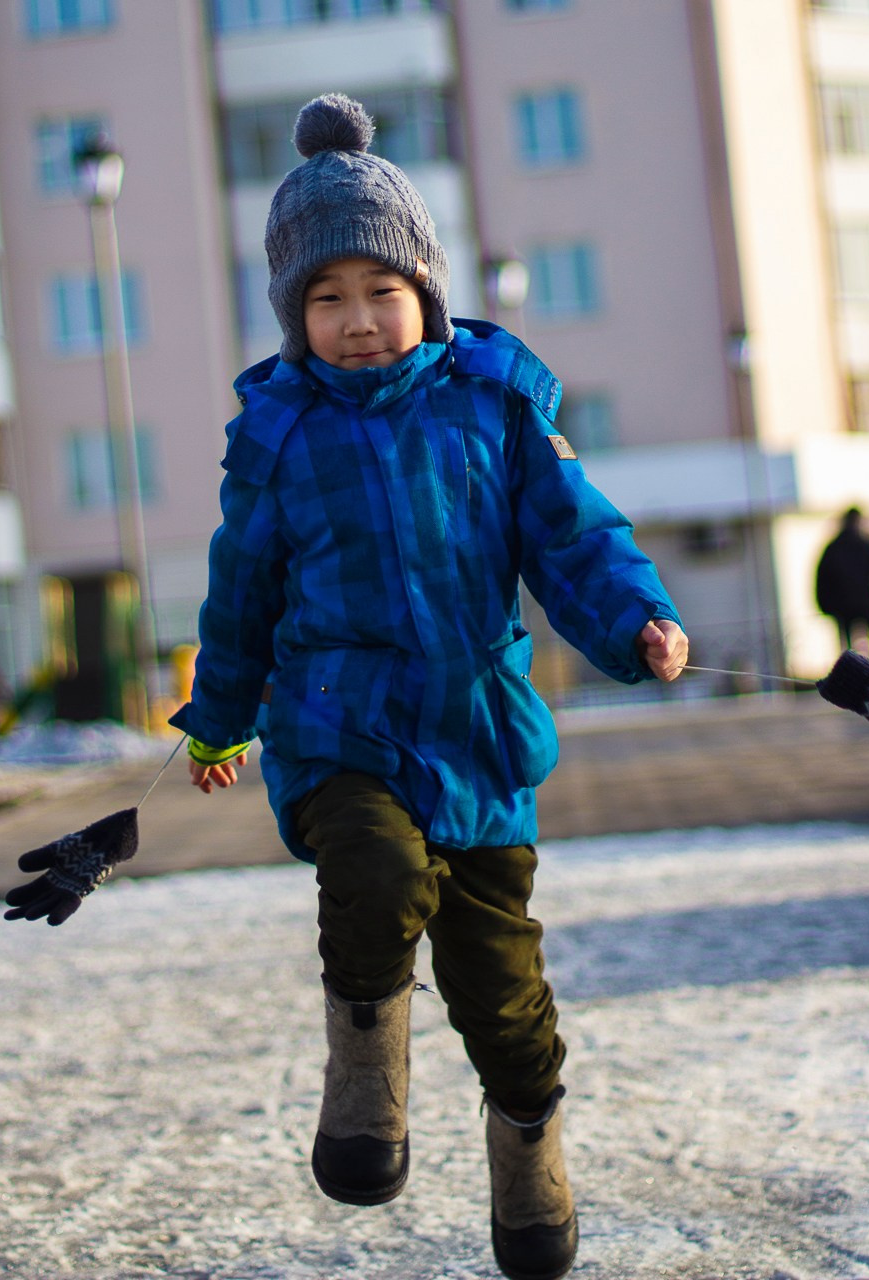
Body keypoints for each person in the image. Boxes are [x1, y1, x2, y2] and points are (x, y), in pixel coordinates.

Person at [170, 93, 688, 1280]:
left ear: (428, 292)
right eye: (326, 298)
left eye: (379, 291)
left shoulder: (495, 406)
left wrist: (639, 620)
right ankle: (363, 1061)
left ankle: (528, 1149)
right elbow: (241, 587)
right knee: (374, 870)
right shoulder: (279, 434)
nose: (356, 321)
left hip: (476, 735)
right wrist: (220, 714)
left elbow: (574, 539)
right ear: (295, 314)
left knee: (504, 998)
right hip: (336, 725)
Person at [815, 507, 869, 663]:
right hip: (862, 603)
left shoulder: (834, 547)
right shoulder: (863, 544)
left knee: (847, 646)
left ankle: (852, 670)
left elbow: (822, 579)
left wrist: (825, 605)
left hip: (844, 605)